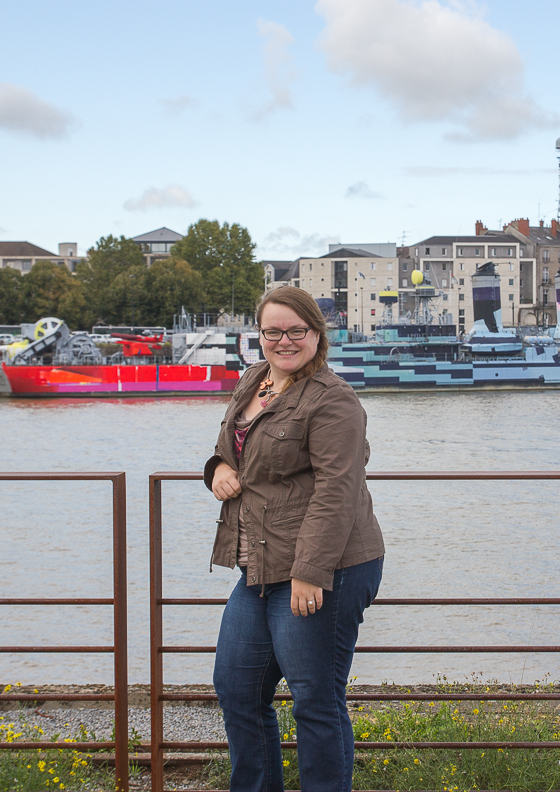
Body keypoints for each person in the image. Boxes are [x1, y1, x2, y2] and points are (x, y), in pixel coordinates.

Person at [205, 286, 384, 792]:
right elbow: (231, 448)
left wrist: (311, 572)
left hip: (328, 566)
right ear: (259, 335)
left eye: (295, 331)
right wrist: (215, 467)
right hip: (260, 563)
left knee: (315, 698)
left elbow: (337, 491)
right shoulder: (254, 382)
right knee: (237, 688)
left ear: (316, 333)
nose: (284, 341)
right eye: (272, 332)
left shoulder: (334, 401)